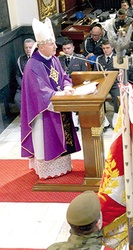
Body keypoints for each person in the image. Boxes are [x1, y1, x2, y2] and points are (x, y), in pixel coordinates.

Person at [20, 18, 81, 180]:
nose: (56, 46)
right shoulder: (33, 65)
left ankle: (63, 166)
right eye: (52, 44)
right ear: (41, 47)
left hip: (59, 106)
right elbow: (39, 91)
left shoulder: (53, 59)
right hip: (44, 111)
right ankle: (48, 170)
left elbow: (63, 77)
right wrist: (59, 95)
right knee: (45, 139)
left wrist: (67, 86)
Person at [59, 38, 89, 131]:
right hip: (63, 85)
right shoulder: (59, 59)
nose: (66, 51)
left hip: (77, 84)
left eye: (68, 48)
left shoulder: (80, 58)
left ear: (73, 48)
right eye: (64, 49)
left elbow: (85, 73)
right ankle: (67, 121)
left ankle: (75, 121)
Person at [95, 39, 120, 130]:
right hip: (103, 83)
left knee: (118, 97)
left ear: (112, 48)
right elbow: (96, 73)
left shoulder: (118, 58)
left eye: (108, 48)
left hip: (115, 83)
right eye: (104, 48)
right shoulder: (99, 59)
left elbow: (121, 73)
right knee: (96, 98)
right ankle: (103, 121)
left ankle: (117, 118)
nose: (106, 50)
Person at [14, 38, 35, 111]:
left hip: (36, 86)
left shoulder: (39, 59)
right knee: (17, 99)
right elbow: (18, 75)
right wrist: (23, 85)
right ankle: (26, 116)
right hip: (24, 86)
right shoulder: (20, 59)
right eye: (26, 48)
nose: (28, 49)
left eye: (30, 47)